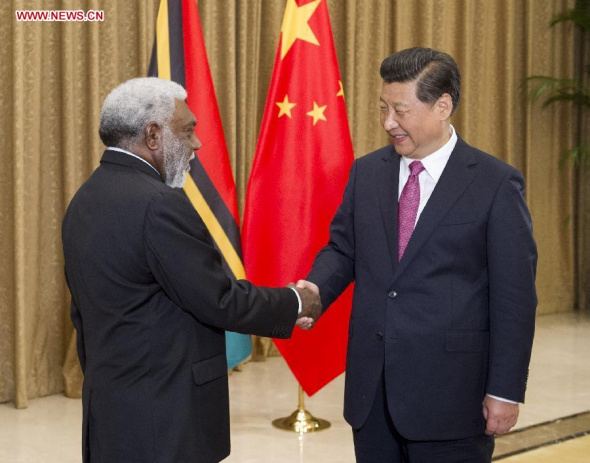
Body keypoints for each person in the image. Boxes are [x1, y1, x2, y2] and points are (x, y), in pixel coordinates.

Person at [296, 47, 537, 462]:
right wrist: (313, 290)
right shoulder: (367, 172)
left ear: (442, 106)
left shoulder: (495, 184)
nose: (389, 122)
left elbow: (515, 297)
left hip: (453, 398)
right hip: (373, 393)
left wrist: (505, 389)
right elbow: (343, 249)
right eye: (383, 108)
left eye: (401, 110)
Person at [62, 77, 321, 463]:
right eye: (187, 131)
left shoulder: (83, 200)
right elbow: (219, 299)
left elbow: (84, 315)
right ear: (153, 135)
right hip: (164, 420)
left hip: (112, 411)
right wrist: (295, 301)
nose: (197, 145)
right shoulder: (158, 205)